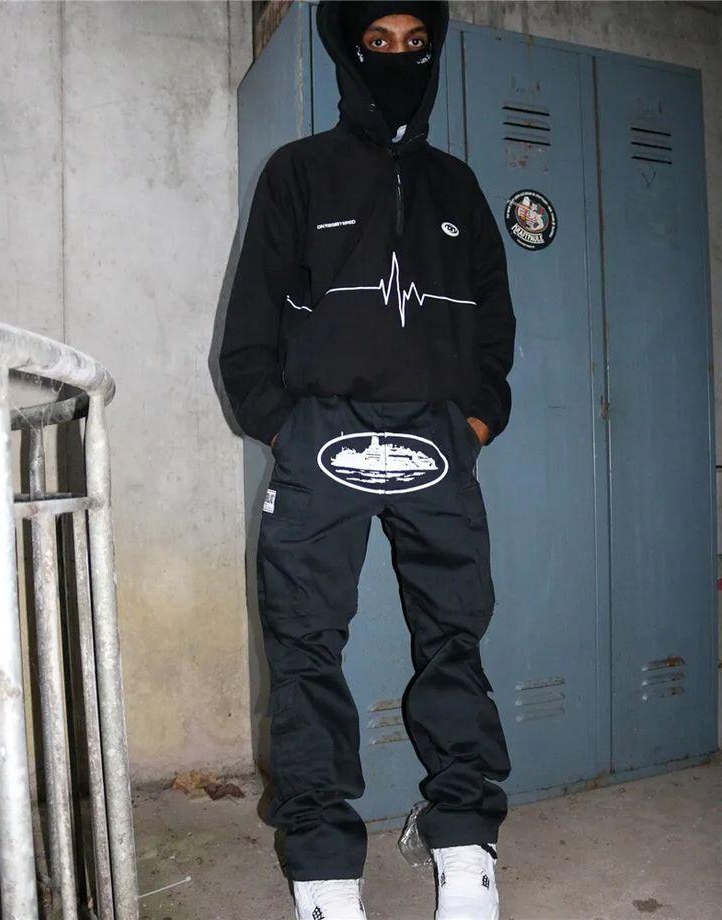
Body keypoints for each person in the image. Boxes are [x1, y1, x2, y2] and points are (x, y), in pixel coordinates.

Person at [218, 2, 516, 917]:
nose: (397, 57)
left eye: (415, 43)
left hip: (437, 440)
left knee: (454, 638)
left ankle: (463, 843)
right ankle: (322, 868)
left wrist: (476, 423)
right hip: (322, 435)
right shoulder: (298, 172)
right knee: (305, 646)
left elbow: (495, 324)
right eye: (378, 42)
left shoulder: (457, 186)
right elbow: (249, 327)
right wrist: (286, 429)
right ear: (349, 53)